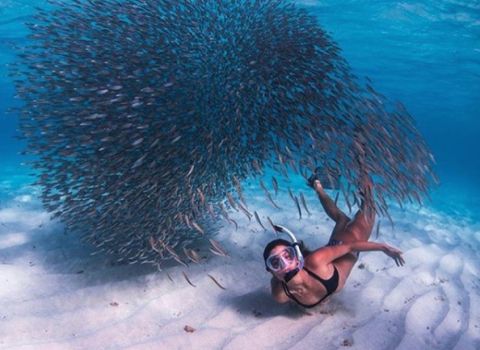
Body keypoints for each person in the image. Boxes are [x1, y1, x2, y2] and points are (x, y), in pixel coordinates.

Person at [263, 170, 405, 308]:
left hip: (348, 242)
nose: (285, 264)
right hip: (330, 253)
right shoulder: (280, 295)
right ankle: (318, 187)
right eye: (275, 263)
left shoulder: (316, 260)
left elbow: (351, 247)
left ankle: (363, 165)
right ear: (271, 271)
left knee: (369, 206)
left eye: (288, 255)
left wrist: (383, 247)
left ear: (297, 255)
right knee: (341, 220)